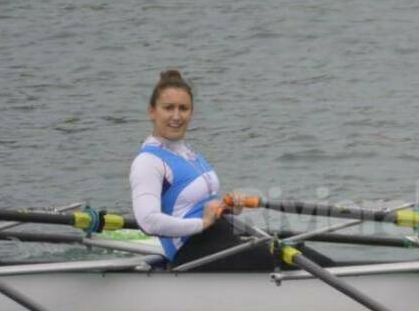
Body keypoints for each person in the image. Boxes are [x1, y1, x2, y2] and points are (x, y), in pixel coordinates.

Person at [130, 69, 333, 271]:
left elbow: (193, 205)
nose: (176, 116)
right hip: (192, 254)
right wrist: (201, 223)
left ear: (191, 112)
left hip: (220, 239)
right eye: (168, 108)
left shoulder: (188, 153)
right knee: (288, 258)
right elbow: (148, 222)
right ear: (152, 111)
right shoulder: (148, 162)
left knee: (296, 249)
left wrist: (226, 207)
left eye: (183, 108)